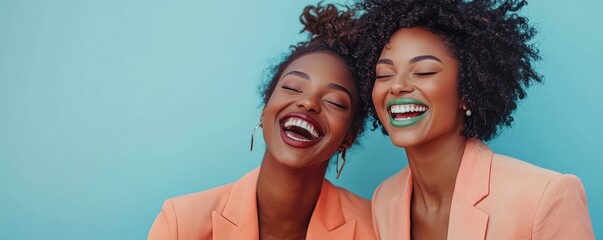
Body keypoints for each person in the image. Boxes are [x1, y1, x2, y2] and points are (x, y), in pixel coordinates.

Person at [354, 0, 595, 239]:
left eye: (424, 71)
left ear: (467, 91)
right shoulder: (384, 200)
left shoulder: (544, 197)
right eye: (384, 74)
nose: (396, 86)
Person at [148, 3, 376, 240]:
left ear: (349, 136)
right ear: (265, 110)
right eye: (292, 87)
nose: (309, 103)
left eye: (335, 102)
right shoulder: (181, 223)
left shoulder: (376, 230)